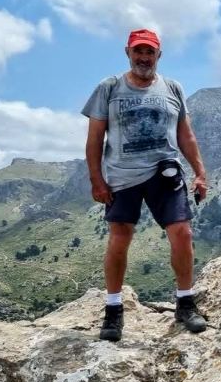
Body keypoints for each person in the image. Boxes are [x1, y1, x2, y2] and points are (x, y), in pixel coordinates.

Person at [81, 28, 209, 341]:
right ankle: (113, 309)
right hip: (122, 176)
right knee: (120, 237)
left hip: (164, 173)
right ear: (128, 52)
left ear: (158, 56)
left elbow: (185, 136)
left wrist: (200, 172)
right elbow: (95, 138)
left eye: (149, 52)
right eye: (138, 51)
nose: (144, 58)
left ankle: (185, 302)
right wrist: (97, 180)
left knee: (182, 232)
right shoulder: (109, 87)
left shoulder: (173, 88)